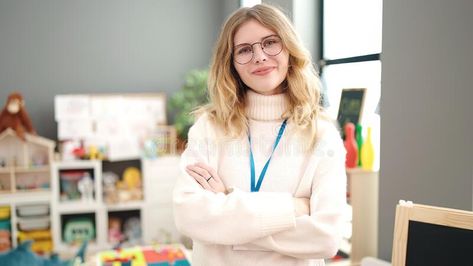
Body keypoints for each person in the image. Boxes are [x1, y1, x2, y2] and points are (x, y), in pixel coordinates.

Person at [173, 4, 347, 266]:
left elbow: (326, 238)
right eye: (244, 50)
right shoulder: (209, 128)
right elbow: (189, 216)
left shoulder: (322, 134)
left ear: (289, 48)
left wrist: (230, 209)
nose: (259, 56)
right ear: (231, 63)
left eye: (270, 43)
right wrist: (295, 208)